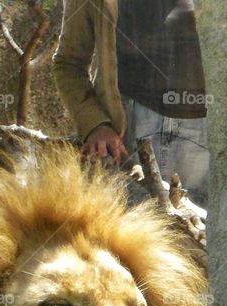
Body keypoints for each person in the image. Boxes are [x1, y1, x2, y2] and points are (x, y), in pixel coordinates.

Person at [53, 0, 210, 206]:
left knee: (206, 233)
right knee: (134, 232)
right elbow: (69, 63)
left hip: (207, 134)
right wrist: (96, 124)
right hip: (129, 134)